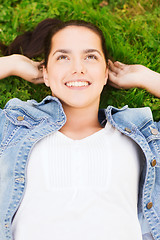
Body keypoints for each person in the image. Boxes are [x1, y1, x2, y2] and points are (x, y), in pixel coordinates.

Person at [0, 18, 160, 240]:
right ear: (45, 73)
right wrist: (12, 64)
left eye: (91, 57)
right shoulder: (11, 130)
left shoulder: (142, 137)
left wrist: (146, 77)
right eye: (63, 57)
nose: (78, 68)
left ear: (106, 73)